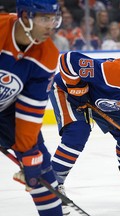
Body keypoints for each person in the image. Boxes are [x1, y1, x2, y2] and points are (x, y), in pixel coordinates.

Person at [49, 38, 120, 213]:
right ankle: (52, 187)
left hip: (106, 102)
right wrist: (77, 89)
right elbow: (68, 60)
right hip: (67, 92)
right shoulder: (109, 71)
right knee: (78, 133)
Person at [0, 0, 63, 215]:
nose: (51, 25)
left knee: (40, 166)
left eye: (53, 19)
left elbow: (30, 110)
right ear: (25, 16)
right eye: (44, 18)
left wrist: (28, 153)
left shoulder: (47, 55)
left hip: (7, 110)